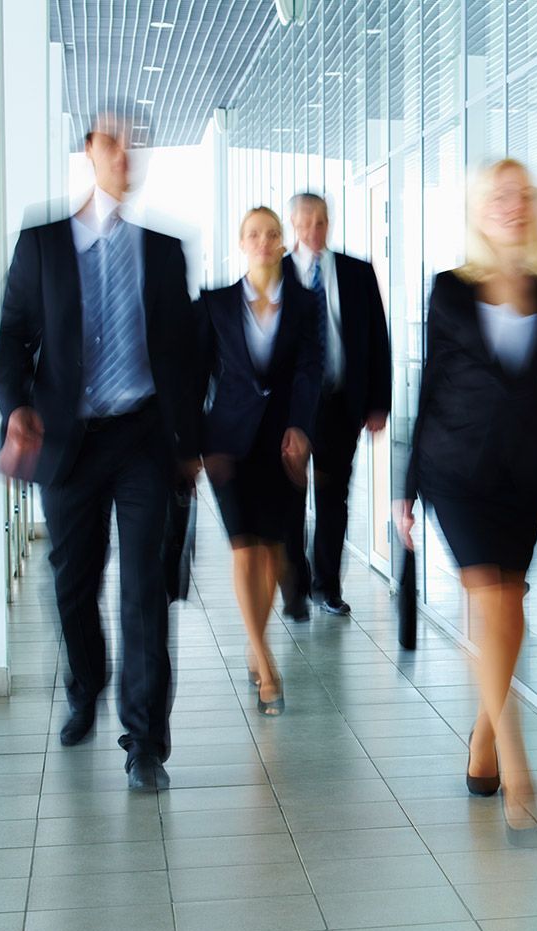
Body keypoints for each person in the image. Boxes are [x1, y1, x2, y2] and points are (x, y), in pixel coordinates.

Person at [0, 108, 200, 790]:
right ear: (88, 150)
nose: (124, 153)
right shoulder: (43, 244)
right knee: (72, 586)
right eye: (112, 141)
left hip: (141, 437)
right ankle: (86, 684)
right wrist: (18, 407)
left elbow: (185, 356)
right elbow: (12, 340)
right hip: (69, 444)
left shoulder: (163, 251)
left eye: (134, 143)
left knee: (143, 590)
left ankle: (146, 742)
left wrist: (189, 445)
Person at [394, 159, 537, 842]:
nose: (512, 205)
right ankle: (518, 769)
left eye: (523, 195)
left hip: (525, 470)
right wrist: (405, 487)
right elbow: (428, 388)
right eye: (499, 196)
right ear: (478, 209)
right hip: (456, 466)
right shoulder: (449, 290)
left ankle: (481, 739)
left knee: (513, 607)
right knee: (492, 603)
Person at [197, 207, 323, 717]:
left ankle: (256, 641)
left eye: (273, 233)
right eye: (255, 234)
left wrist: (303, 427)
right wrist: (194, 442)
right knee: (245, 550)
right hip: (229, 444)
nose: (265, 241)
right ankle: (265, 664)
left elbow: (312, 370)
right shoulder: (215, 304)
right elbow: (198, 373)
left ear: (282, 241)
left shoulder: (305, 304)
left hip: (283, 445)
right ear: (242, 242)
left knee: (274, 553)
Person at [280, 192, 391, 620]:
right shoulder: (277, 274)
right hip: (290, 412)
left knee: (333, 498)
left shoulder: (356, 272)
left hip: (340, 403)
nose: (315, 230)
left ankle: (327, 586)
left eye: (322, 221)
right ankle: (295, 585)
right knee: (290, 500)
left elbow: (377, 340)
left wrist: (379, 402)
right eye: (306, 222)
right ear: (293, 223)